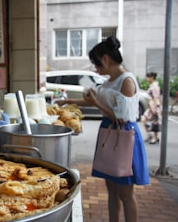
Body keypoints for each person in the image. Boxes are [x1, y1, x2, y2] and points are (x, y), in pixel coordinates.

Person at [56, 36, 150, 222]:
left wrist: (96, 102)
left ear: (105, 59)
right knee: (112, 191)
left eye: (96, 63)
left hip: (123, 138)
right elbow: (96, 100)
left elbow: (121, 118)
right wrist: (69, 101)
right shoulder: (109, 80)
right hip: (110, 133)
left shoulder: (127, 81)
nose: (95, 68)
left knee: (125, 193)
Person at [141, 72, 161, 144]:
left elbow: (155, 98)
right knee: (144, 119)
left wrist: (154, 108)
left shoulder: (154, 86)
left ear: (152, 77)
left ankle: (155, 138)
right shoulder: (152, 85)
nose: (147, 79)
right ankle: (150, 135)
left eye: (148, 77)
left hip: (154, 106)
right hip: (151, 106)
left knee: (154, 121)